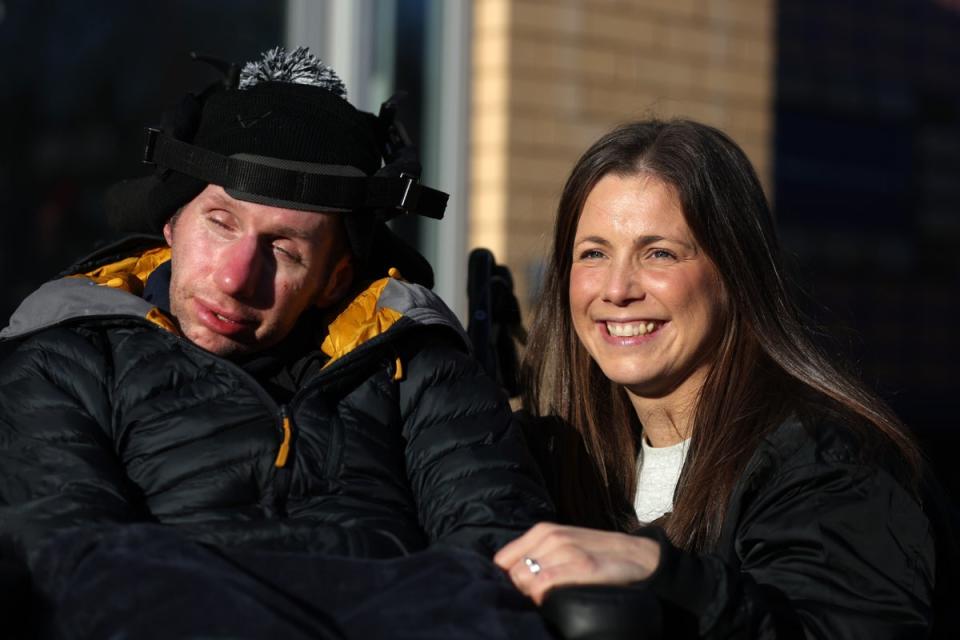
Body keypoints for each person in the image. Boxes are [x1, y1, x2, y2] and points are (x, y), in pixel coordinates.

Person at [0, 47, 553, 637]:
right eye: (220, 222)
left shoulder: (417, 364)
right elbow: (70, 566)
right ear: (172, 223)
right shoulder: (68, 358)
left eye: (285, 251)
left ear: (334, 279)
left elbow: (502, 554)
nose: (237, 277)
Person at [494, 119, 956, 638]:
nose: (617, 289)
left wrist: (664, 575)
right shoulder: (564, 457)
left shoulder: (830, 459)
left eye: (659, 253)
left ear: (736, 271)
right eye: (594, 253)